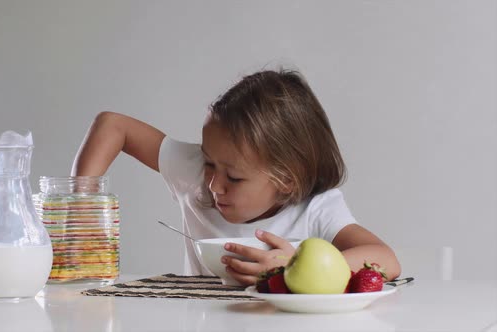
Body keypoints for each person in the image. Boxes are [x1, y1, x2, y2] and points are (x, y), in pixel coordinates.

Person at [72, 68, 401, 286]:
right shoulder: (199, 173)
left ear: (286, 180)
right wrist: (80, 210)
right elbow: (112, 125)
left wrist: (296, 264)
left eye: (235, 178)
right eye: (209, 163)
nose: (214, 184)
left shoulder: (315, 208)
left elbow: (386, 260)